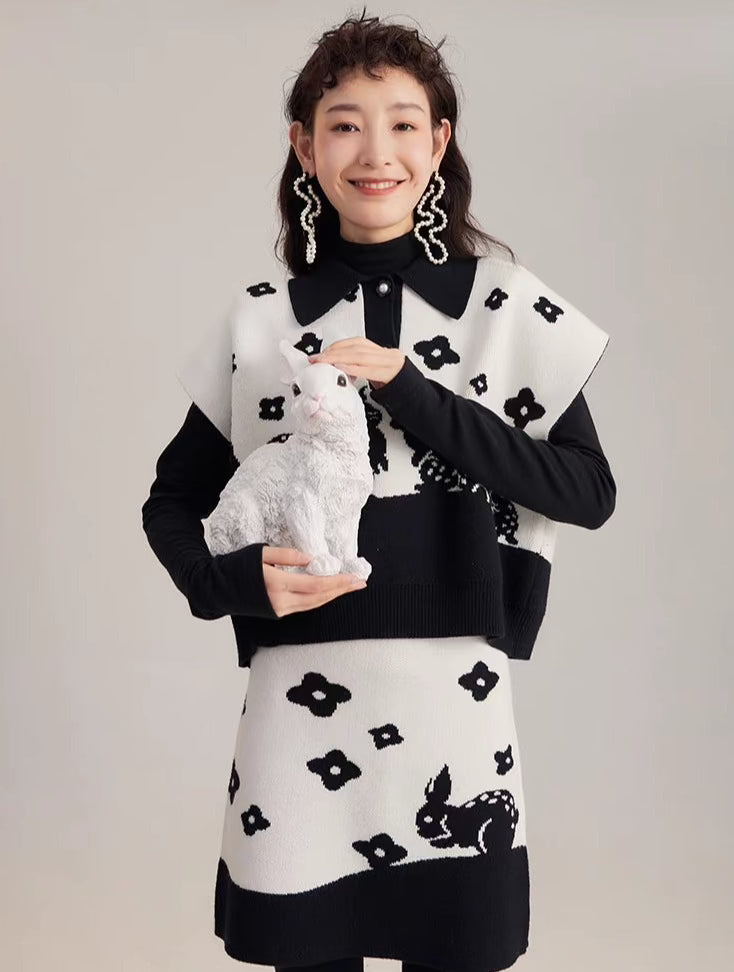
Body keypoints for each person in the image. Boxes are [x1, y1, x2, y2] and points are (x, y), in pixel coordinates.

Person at [141, 10, 616, 972]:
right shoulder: (261, 324)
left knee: (461, 948)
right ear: (304, 145)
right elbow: (172, 503)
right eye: (345, 124)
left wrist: (412, 389)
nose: (375, 153)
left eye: (402, 124)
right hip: (299, 708)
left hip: (455, 703)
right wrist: (232, 583)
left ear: (439, 143)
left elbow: (587, 491)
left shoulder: (506, 308)